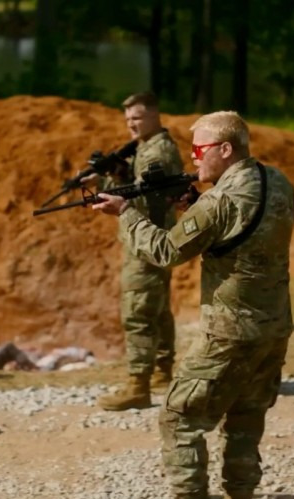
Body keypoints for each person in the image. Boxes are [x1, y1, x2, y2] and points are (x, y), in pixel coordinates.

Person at [92, 111, 294, 499]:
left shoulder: (219, 201)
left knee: (178, 418)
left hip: (229, 333)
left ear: (225, 148)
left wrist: (126, 213)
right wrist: (196, 204)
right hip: (273, 328)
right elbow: (243, 230)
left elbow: (166, 251)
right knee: (245, 420)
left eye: (200, 149)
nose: (193, 157)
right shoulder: (278, 182)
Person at [91, 91, 185, 411]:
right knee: (156, 307)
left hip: (147, 239)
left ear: (155, 116)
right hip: (151, 238)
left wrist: (116, 195)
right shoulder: (147, 147)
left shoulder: (158, 152)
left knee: (138, 310)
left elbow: (149, 197)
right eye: (128, 119)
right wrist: (116, 174)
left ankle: (137, 385)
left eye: (138, 118)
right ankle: (161, 370)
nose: (132, 124)